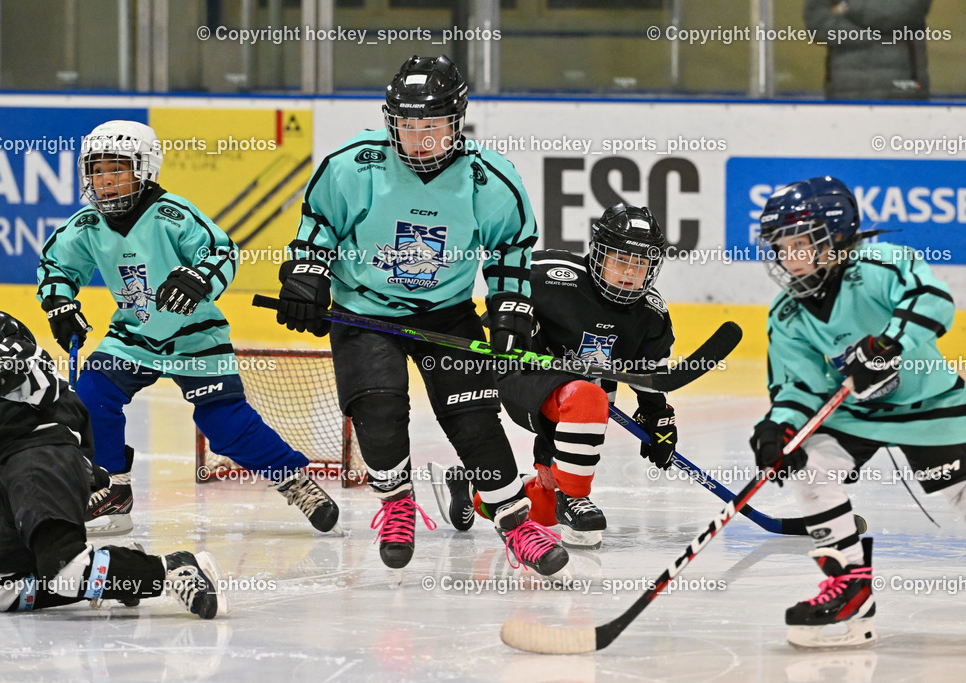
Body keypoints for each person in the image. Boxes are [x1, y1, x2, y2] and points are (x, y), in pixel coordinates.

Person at [273, 54, 568, 576]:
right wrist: (306, 276)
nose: (419, 139)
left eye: (431, 126)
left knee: (474, 417)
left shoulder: (489, 179)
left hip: (446, 315)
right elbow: (319, 223)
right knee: (379, 411)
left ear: (456, 122)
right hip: (365, 312)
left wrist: (510, 313)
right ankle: (397, 505)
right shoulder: (354, 164)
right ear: (391, 123)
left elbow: (510, 249)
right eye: (407, 126)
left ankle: (515, 522)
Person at [37, 120, 339, 537]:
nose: (105, 182)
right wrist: (59, 302)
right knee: (91, 397)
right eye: (97, 171)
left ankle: (296, 482)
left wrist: (197, 278)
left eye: (117, 170)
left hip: (196, 337)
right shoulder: (87, 225)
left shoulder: (170, 214)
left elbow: (221, 251)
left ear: (145, 170)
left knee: (225, 425)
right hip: (133, 337)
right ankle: (113, 491)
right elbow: (57, 263)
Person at [751, 176, 965, 647]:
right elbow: (799, 386)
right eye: (781, 246)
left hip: (929, 403)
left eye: (800, 242)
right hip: (855, 415)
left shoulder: (881, 263)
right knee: (808, 464)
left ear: (836, 234)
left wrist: (888, 346)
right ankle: (851, 595)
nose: (790, 256)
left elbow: (935, 302)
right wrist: (778, 426)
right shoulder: (787, 312)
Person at [0, 311, 223, 618]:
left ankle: (172, 569)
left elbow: (31, 363)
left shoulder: (14, 363)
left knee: (67, 569)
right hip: (18, 490)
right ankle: (121, 571)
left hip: (38, 467)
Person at [431, 203, 677, 550]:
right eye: (620, 260)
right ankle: (575, 499)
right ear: (599, 254)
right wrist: (520, 323)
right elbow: (500, 307)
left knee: (544, 506)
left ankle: (476, 489)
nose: (629, 273)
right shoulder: (550, 275)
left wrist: (657, 414)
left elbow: (647, 368)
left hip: (579, 396)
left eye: (640, 264)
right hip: (525, 376)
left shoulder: (651, 314)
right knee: (589, 396)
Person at [804, 0, 932, 100]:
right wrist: (871, 36)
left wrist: (845, 5)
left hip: (901, 93)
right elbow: (816, 22)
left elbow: (903, 12)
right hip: (844, 91)